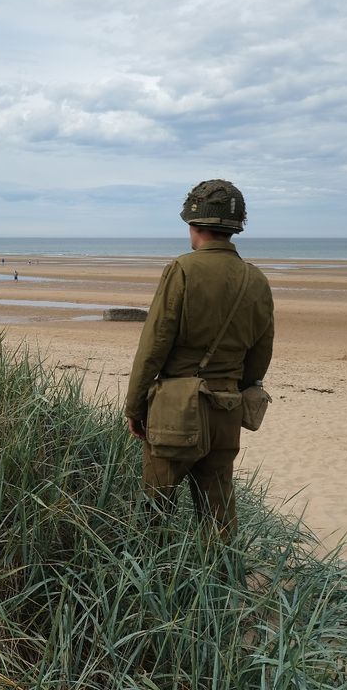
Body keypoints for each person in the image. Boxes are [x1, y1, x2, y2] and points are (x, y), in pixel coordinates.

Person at [123, 179, 274, 540]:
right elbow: (260, 357)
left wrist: (134, 406)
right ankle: (222, 587)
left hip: (176, 409)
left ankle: (155, 589)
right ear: (235, 228)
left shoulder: (182, 270)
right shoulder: (256, 279)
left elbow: (154, 345)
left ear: (193, 225)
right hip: (226, 407)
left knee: (154, 514)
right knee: (220, 516)